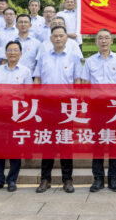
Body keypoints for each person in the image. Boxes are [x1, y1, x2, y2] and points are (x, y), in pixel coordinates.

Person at [33, 26, 83, 193]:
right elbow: (37, 79)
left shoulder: (73, 57)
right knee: (47, 142)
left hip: (66, 105)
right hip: (46, 104)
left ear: (66, 38)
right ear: (51, 38)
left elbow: (77, 81)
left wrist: (76, 103)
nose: (59, 38)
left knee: (66, 142)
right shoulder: (43, 57)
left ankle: (67, 179)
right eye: (55, 36)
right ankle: (45, 179)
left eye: (61, 36)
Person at [80, 29, 116, 192]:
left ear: (111, 41)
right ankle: (98, 179)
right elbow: (86, 85)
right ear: (96, 42)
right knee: (97, 143)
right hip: (96, 106)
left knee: (114, 142)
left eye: (106, 38)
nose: (103, 41)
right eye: (100, 38)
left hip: (114, 106)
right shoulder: (90, 61)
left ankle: (114, 179)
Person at [0, 41, 32, 193]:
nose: (12, 53)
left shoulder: (25, 71)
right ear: (5, 53)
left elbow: (29, 94)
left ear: (21, 53)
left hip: (17, 115)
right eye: (10, 50)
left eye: (15, 50)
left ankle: (12, 180)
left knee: (14, 148)